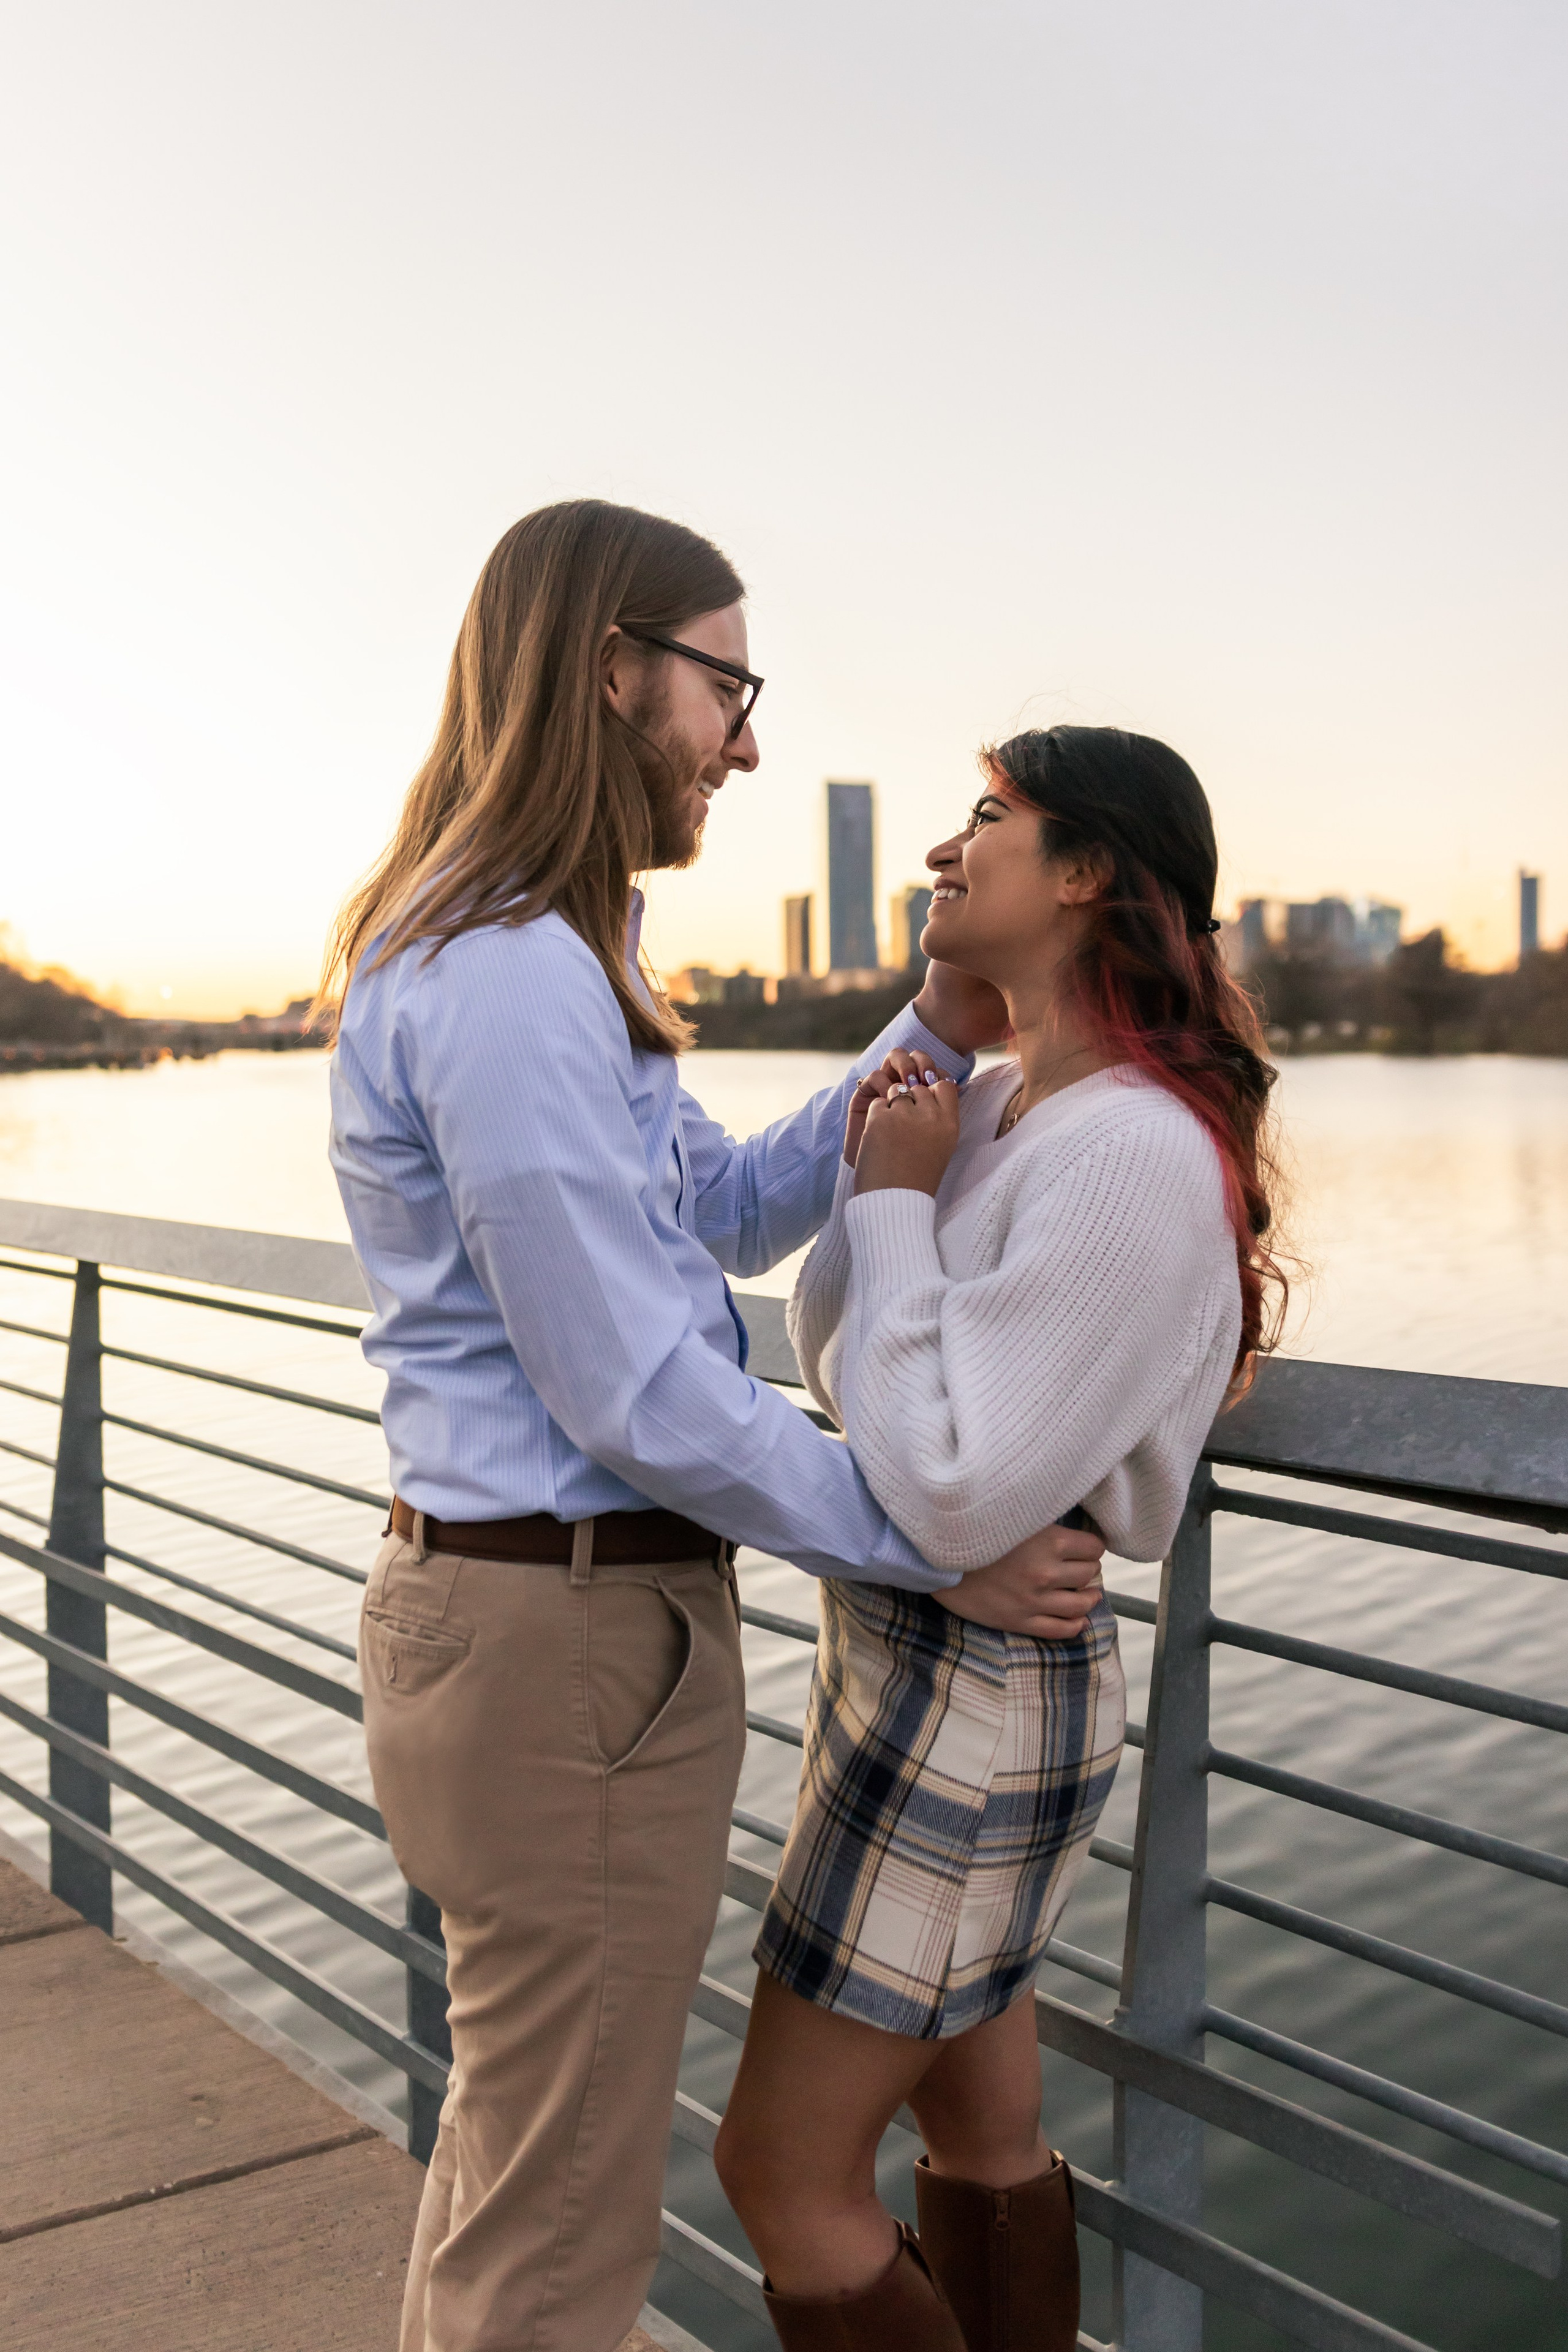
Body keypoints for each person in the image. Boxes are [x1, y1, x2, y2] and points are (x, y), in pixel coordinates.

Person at [320, 500, 1106, 2352]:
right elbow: (632, 1389)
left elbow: (722, 1210)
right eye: (725, 687)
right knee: (562, 2235)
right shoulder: (509, 971)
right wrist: (937, 1535)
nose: (745, 741)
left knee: (515, 2173)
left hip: (538, 1631)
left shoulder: (531, 947)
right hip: (564, 1641)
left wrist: (919, 1035)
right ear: (611, 673)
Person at [714, 725, 1286, 2352]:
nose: (943, 851)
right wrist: (900, 1172)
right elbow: (833, 1340)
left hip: (977, 1683)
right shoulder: (1015, 1103)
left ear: (1091, 871)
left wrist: (897, 1205)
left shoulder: (1132, 1153)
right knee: (974, 2139)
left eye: (988, 818)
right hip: (914, 1658)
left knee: (778, 2170)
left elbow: (953, 1490)